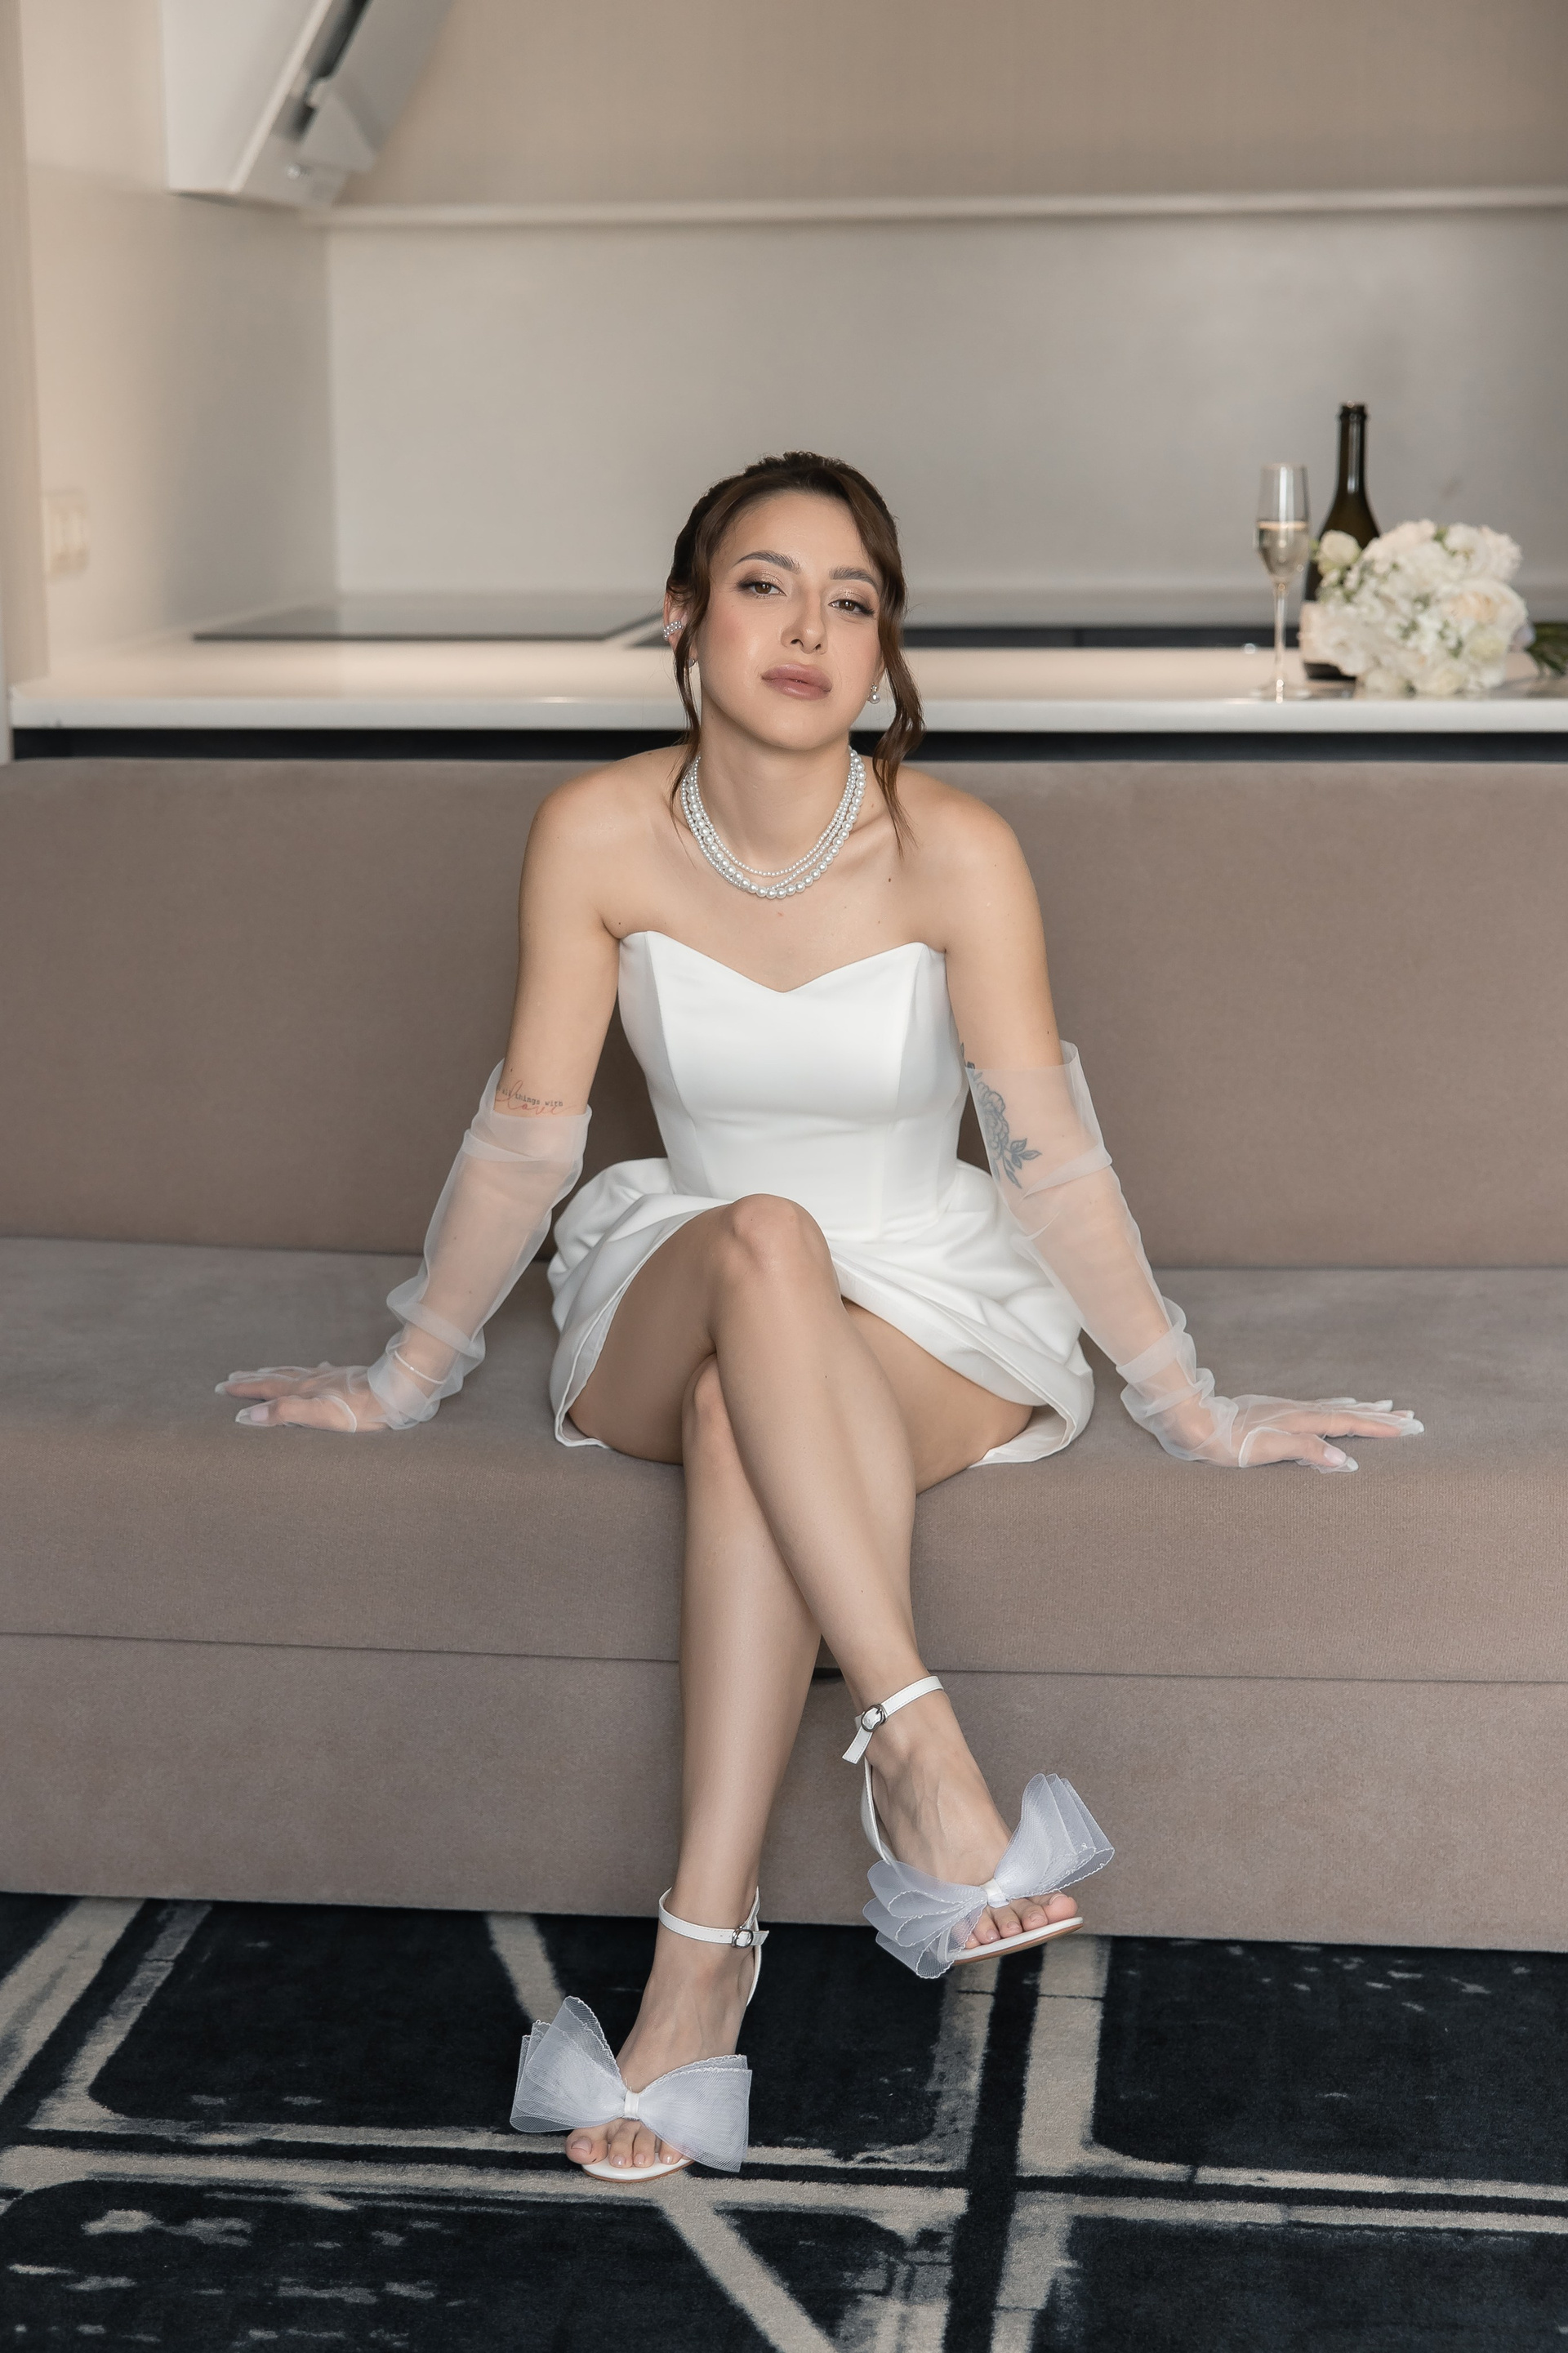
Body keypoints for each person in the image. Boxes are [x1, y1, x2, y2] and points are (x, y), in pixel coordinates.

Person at [220, 452, 1422, 2184]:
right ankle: (919, 1745)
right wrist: (405, 1373)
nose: (808, 629)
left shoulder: (958, 849)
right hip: (684, 1268)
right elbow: (532, 1132)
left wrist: (1189, 1400)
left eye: (851, 600)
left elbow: (1049, 1155)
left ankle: (698, 1966)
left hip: (927, 1303)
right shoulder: (595, 830)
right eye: (766, 585)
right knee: (765, 1242)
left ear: (884, 647)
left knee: (747, 1411)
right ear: (684, 613)